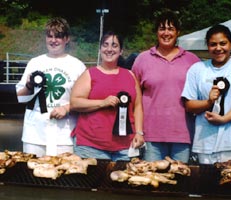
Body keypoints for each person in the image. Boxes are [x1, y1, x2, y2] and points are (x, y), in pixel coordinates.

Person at [181, 24, 231, 165]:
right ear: (207, 46)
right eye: (213, 44)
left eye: (223, 43)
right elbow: (189, 105)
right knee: (207, 185)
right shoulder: (197, 69)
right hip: (205, 143)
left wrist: (224, 119)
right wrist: (208, 102)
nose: (218, 48)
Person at [132, 9, 200, 163]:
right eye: (162, 28)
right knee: (152, 181)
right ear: (156, 32)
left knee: (180, 182)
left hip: (183, 135)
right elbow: (135, 100)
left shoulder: (193, 60)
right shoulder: (142, 59)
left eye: (171, 29)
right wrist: (138, 131)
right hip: (151, 136)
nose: (166, 33)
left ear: (178, 33)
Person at [16, 17, 87, 157]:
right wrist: (29, 85)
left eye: (58, 36)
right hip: (34, 133)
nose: (53, 40)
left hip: (64, 135)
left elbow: (84, 100)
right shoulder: (35, 62)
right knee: (32, 175)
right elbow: (21, 97)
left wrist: (66, 108)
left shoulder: (78, 66)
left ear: (66, 39)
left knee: (63, 176)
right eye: (50, 36)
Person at [70, 31, 144, 161]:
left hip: (126, 147)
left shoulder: (130, 75)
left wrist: (139, 132)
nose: (109, 49)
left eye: (114, 45)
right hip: (91, 147)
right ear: (100, 49)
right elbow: (75, 103)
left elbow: (137, 107)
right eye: (105, 45)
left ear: (121, 51)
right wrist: (102, 103)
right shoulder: (89, 74)